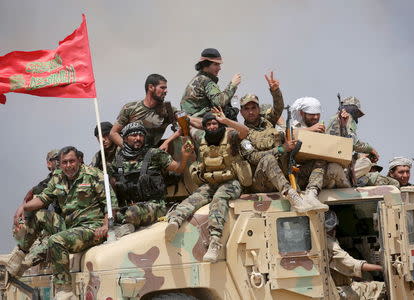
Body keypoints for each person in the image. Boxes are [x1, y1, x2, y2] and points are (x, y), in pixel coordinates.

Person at [0, 146, 118, 299]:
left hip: (91, 228)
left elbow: (111, 203)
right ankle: (17, 257)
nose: (68, 166)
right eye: (65, 162)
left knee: (55, 240)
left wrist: (105, 225)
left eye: (72, 161)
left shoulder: (94, 175)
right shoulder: (58, 177)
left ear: (79, 160)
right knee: (40, 215)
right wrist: (23, 207)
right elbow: (43, 199)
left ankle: (64, 289)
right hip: (70, 227)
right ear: (60, 164)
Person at [165, 107, 249, 263]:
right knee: (193, 198)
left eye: (214, 123)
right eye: (208, 124)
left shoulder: (230, 136)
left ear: (219, 124)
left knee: (219, 199)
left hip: (231, 182)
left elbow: (244, 131)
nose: (212, 127)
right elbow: (187, 127)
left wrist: (226, 121)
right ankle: (175, 222)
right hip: (211, 183)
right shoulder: (201, 137)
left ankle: (215, 242)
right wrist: (181, 117)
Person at [239, 72, 327, 212]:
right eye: (247, 109)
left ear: (258, 108)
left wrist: (275, 91)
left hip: (286, 172)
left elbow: (278, 108)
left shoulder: (268, 122)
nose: (251, 112)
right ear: (241, 112)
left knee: (320, 161)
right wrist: (281, 149)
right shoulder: (243, 133)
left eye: (254, 108)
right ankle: (292, 196)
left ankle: (311, 195)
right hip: (263, 181)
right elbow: (253, 157)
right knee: (268, 158)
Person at [111, 122, 191, 237]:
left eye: (141, 135)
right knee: (113, 216)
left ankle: (129, 223)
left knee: (131, 213)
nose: (138, 138)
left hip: (154, 205)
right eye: (134, 135)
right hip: (129, 205)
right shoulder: (118, 161)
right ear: (125, 138)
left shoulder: (154, 154)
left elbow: (178, 168)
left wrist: (184, 156)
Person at [291, 97, 351, 199]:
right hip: (300, 176)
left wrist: (343, 126)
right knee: (320, 161)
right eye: (311, 114)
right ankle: (311, 193)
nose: (315, 117)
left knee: (335, 167)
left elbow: (340, 150)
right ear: (302, 113)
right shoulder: (293, 127)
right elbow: (290, 137)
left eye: (317, 114)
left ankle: (349, 194)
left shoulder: (321, 129)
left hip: (320, 174)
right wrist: (310, 130)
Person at [325, 210, 385, 299]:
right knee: (382, 288)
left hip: (340, 286)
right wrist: (381, 268)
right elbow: (352, 263)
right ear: (333, 229)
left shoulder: (325, 240)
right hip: (339, 291)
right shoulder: (330, 244)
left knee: (367, 280)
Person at [110, 74, 179, 151]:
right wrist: (129, 150)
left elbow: (185, 122)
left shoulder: (168, 110)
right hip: (128, 157)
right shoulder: (130, 108)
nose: (166, 91)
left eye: (166, 88)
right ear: (150, 87)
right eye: (162, 88)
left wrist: (167, 142)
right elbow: (113, 133)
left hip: (150, 154)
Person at [180, 48, 241, 119]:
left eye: (219, 64)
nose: (219, 68)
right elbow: (220, 102)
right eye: (216, 64)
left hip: (193, 121)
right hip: (199, 123)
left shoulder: (198, 79)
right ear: (206, 65)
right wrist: (232, 85)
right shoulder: (206, 81)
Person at [326, 96, 380, 161]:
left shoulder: (334, 118)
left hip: (327, 152)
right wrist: (370, 149)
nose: (356, 116)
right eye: (356, 112)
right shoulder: (347, 118)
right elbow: (353, 142)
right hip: (336, 157)